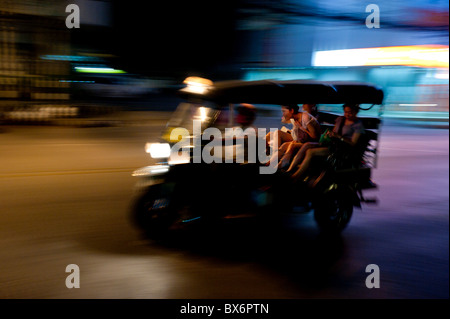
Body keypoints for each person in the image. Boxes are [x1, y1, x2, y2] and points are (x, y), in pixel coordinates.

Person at [289, 103, 365, 182]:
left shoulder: (358, 125)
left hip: (341, 149)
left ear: (356, 112)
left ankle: (296, 176)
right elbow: (334, 132)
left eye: (350, 112)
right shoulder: (340, 119)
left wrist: (339, 137)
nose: (347, 114)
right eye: (346, 112)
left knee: (310, 152)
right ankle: (291, 169)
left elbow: (353, 143)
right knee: (307, 145)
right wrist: (329, 135)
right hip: (331, 143)